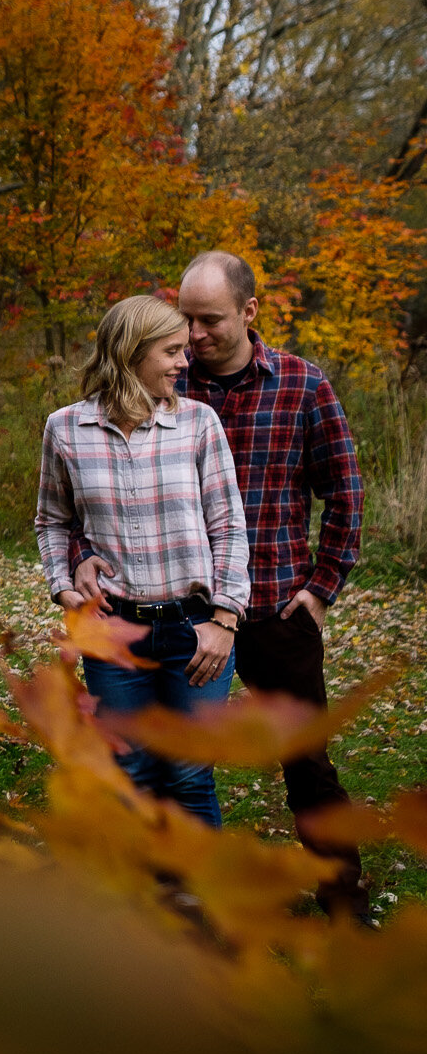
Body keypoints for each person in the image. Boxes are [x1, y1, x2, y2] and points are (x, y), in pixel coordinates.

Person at [70, 250, 369, 921]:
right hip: (174, 613)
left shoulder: (302, 386)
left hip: (272, 609)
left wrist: (319, 590)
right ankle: (176, 895)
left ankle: (344, 899)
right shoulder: (164, 378)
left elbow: (345, 495)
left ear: (249, 312)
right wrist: (85, 553)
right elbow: (100, 481)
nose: (195, 337)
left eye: (210, 321)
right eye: (187, 320)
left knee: (306, 761)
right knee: (172, 756)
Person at [36, 295, 250, 827]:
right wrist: (64, 585)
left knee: (188, 773)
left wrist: (224, 619)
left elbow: (228, 526)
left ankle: (199, 898)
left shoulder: (198, 424)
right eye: (172, 351)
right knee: (128, 770)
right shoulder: (65, 429)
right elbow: (53, 520)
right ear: (131, 355)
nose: (185, 362)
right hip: (113, 632)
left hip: (193, 628)